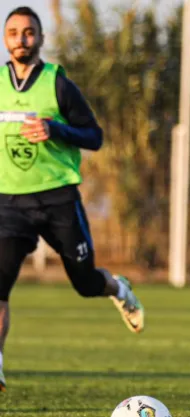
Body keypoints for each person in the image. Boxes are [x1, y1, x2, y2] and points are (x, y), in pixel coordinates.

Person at [0, 6, 145, 391]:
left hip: (57, 198)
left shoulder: (58, 85)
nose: (21, 39)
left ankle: (120, 289)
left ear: (40, 38)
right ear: (5, 39)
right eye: (13, 32)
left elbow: (94, 137)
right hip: (9, 202)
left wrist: (55, 129)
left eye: (28, 32)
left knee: (84, 281)